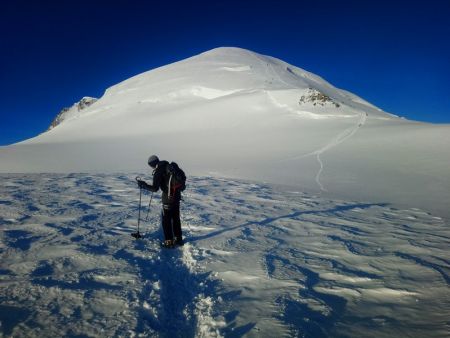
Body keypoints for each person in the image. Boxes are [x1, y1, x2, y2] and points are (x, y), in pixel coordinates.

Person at [137, 155, 186, 248]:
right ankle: (178, 239)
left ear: (152, 164)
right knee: (176, 219)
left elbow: (155, 188)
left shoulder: (159, 170)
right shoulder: (169, 166)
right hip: (176, 196)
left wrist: (143, 185)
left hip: (167, 198)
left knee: (166, 220)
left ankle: (169, 242)